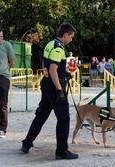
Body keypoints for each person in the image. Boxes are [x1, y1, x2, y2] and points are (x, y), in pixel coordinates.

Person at [21, 23, 79, 160]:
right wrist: (59, 89)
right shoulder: (59, 49)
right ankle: (62, 151)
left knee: (41, 116)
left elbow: (46, 64)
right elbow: (53, 69)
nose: (71, 39)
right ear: (65, 35)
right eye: (71, 36)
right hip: (55, 87)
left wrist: (64, 72)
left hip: (46, 85)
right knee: (64, 118)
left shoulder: (50, 44)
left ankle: (26, 143)